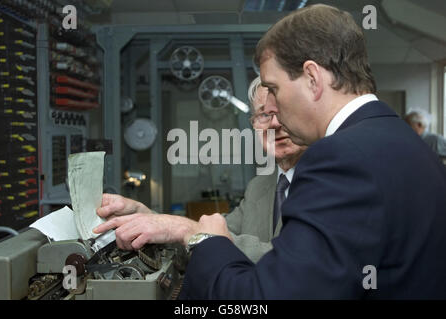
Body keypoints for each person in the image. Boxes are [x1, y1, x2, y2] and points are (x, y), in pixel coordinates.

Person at [95, 4, 446, 299]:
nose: (274, 111)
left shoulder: (339, 158)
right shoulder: (403, 141)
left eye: (275, 90)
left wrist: (204, 240)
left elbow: (269, 296)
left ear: (312, 78)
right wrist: (154, 219)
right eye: (263, 111)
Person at [94, 76, 306, 263]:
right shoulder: (260, 186)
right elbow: (217, 234)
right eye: (263, 115)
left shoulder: (329, 181)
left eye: (284, 111)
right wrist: (147, 216)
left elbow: (297, 263)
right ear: (253, 124)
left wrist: (185, 229)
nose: (275, 124)